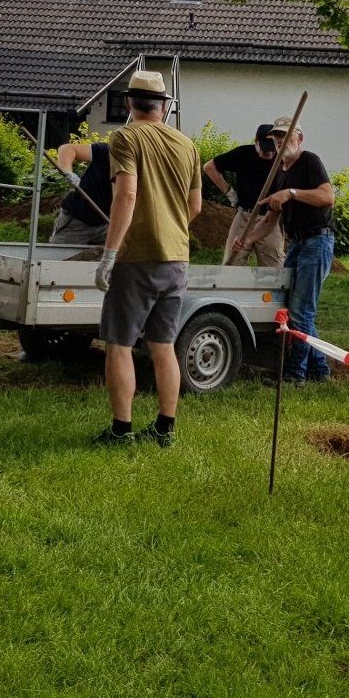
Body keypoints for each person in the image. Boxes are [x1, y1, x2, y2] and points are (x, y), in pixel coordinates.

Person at [93, 71, 203, 446]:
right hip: (177, 259)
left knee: (119, 344)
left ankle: (121, 430)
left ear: (129, 103)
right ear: (163, 105)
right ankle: (164, 429)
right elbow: (195, 206)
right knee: (163, 346)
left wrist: (109, 255)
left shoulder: (125, 137)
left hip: (136, 258)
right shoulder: (187, 145)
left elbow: (126, 195)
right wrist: (170, 227)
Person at [229, 117, 336, 383]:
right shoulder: (280, 172)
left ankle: (295, 374)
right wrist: (248, 239)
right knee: (295, 307)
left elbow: (327, 197)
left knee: (301, 311)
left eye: (285, 136)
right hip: (297, 243)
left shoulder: (309, 161)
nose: (279, 141)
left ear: (299, 139)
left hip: (317, 241)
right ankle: (319, 369)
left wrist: (291, 193)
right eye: (276, 137)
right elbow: (270, 220)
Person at [205, 124, 285, 266]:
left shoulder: (281, 160)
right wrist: (229, 193)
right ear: (256, 142)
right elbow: (209, 167)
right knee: (232, 263)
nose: (269, 153)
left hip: (269, 219)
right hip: (244, 216)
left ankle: (268, 282)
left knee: (274, 268)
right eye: (264, 149)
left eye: (272, 149)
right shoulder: (243, 154)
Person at [50, 140, 112, 246]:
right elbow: (67, 149)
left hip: (106, 225)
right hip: (77, 220)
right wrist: (67, 171)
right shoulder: (108, 151)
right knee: (58, 255)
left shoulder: (139, 164)